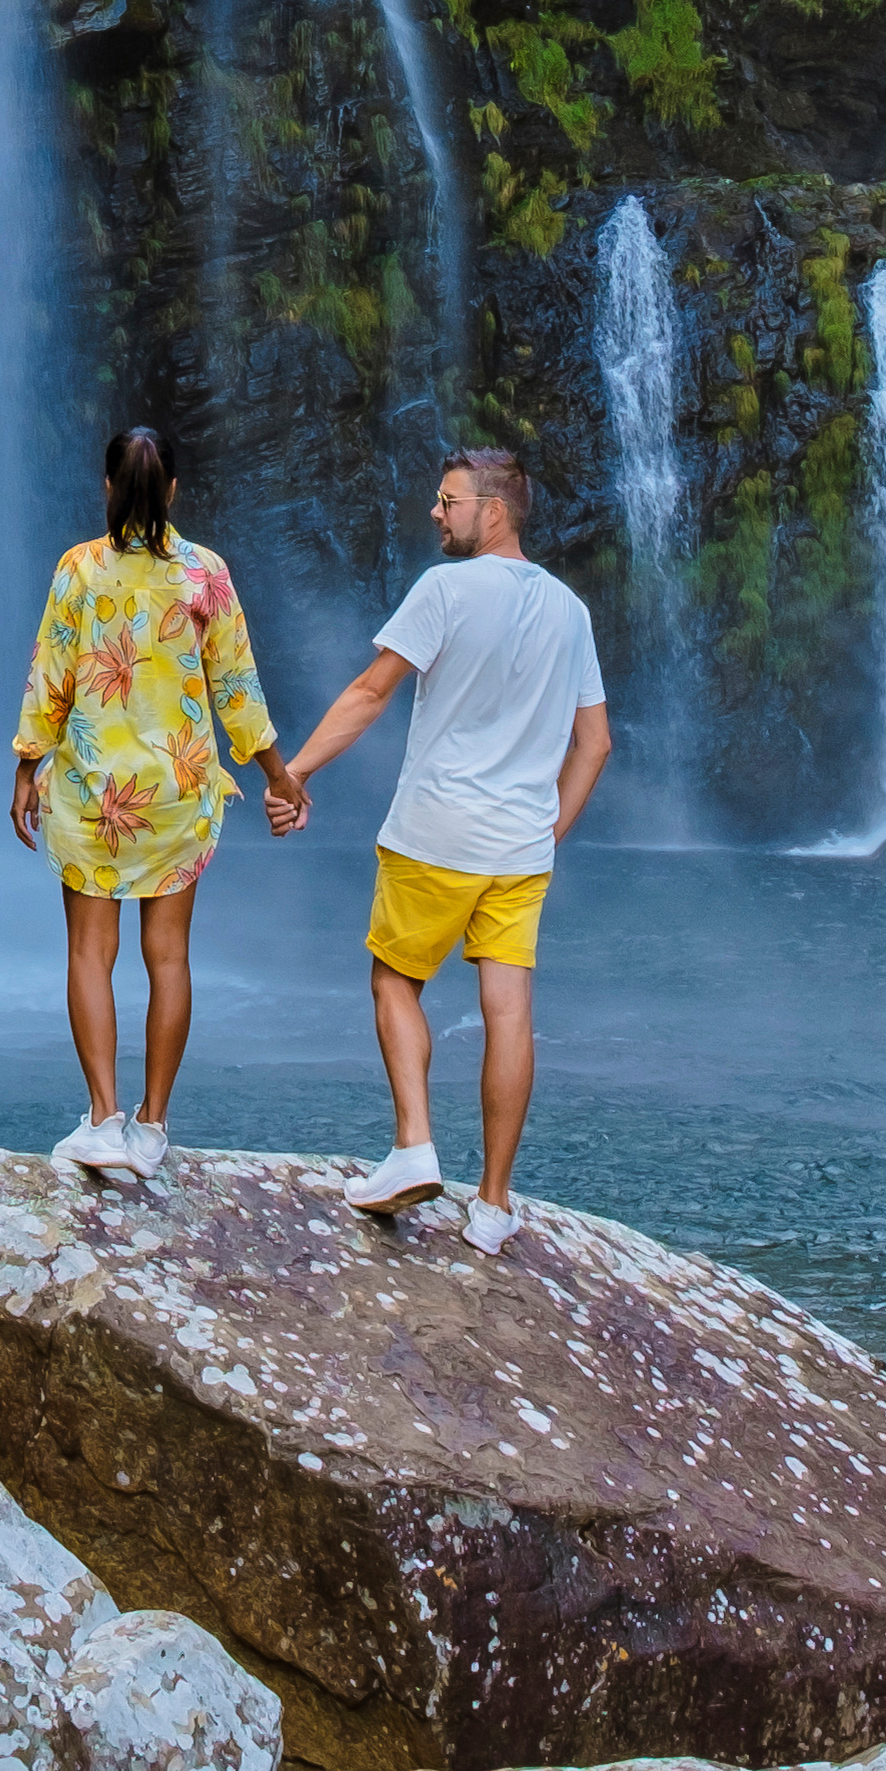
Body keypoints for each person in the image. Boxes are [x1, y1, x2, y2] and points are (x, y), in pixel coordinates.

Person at [273, 443, 608, 1252]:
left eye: (448, 500)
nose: (435, 511)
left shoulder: (445, 589)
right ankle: (493, 1204)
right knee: (510, 1013)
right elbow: (593, 742)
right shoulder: (571, 609)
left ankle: (414, 1143)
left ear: (492, 511)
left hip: (435, 830)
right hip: (520, 847)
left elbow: (369, 692)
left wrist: (294, 774)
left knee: (394, 980)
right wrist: (547, 829)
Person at [10, 421, 299, 1180]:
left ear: (107, 487)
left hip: (94, 793)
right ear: (173, 490)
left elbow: (52, 678)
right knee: (168, 956)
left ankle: (103, 1116)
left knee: (89, 953)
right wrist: (278, 773)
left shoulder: (78, 568)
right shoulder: (205, 572)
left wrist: (24, 768)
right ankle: (153, 1125)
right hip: (176, 794)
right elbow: (238, 688)